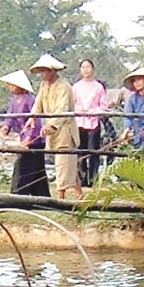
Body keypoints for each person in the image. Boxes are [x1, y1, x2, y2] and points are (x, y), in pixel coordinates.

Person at [30, 53, 79, 200]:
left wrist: (52, 124)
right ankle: (79, 193)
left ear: (52, 71)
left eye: (44, 71)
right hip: (52, 128)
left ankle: (60, 196)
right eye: (41, 71)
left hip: (64, 128)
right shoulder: (44, 85)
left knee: (63, 162)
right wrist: (33, 117)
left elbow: (62, 109)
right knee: (66, 164)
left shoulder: (63, 86)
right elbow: (38, 103)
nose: (42, 74)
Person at [0, 69, 50, 197]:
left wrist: (30, 138)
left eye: (12, 85)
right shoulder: (14, 101)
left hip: (34, 139)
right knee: (36, 169)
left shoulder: (30, 99)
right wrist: (6, 127)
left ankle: (20, 193)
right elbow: (10, 116)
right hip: (23, 137)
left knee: (25, 167)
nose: (10, 87)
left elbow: (35, 120)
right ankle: (40, 194)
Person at [71, 58, 110, 188]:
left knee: (94, 151)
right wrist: (80, 110)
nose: (86, 70)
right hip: (79, 122)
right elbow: (71, 105)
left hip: (93, 123)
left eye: (88, 67)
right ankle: (82, 179)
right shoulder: (76, 87)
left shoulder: (99, 87)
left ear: (93, 69)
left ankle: (93, 178)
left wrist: (93, 111)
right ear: (80, 70)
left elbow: (104, 106)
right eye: (83, 67)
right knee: (80, 151)